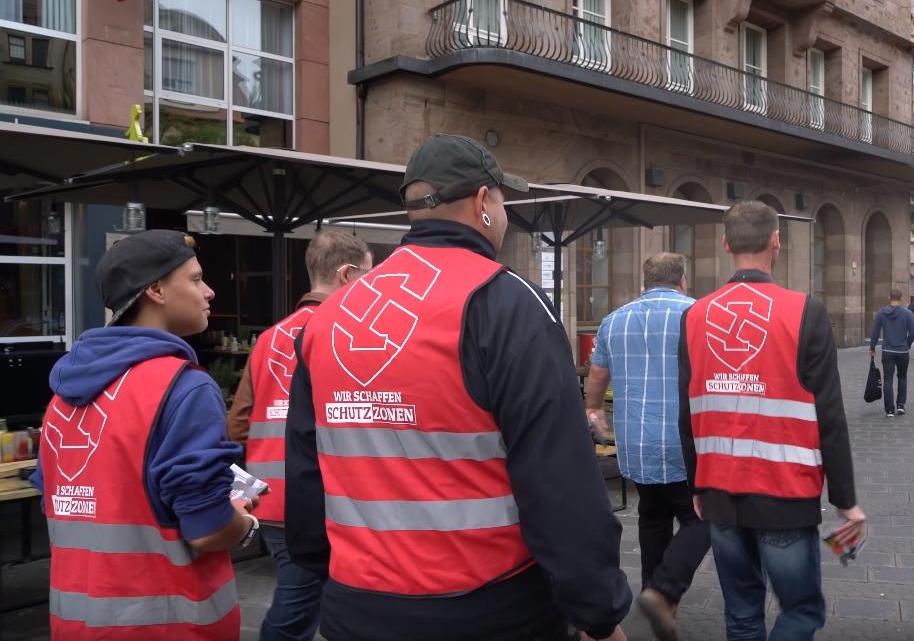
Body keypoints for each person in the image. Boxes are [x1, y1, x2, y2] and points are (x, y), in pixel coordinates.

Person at [285, 134, 631, 641]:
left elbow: (307, 467)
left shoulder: (329, 317)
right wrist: (598, 609)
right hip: (489, 609)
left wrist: (327, 571)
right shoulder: (506, 302)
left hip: (354, 607)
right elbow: (559, 480)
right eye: (503, 199)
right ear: (482, 202)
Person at [31, 230, 253, 638]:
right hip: (169, 624)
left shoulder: (62, 398)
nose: (209, 291)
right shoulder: (184, 386)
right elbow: (207, 529)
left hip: (75, 622)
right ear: (155, 290)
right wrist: (242, 522)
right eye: (195, 278)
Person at [678, 201, 865, 640]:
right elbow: (830, 418)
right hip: (785, 494)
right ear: (776, 243)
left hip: (721, 491)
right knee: (800, 611)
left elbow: (686, 414)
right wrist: (845, 499)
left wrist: (696, 486)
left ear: (726, 244)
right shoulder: (806, 313)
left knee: (741, 614)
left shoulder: (695, 316)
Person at [227, 231, 372, 641]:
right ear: (347, 275)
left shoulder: (269, 339)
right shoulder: (346, 335)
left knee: (309, 603)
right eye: (369, 276)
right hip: (324, 499)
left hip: (270, 498)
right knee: (297, 613)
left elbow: (238, 424)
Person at [584, 253, 708, 641]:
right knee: (705, 519)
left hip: (637, 444)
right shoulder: (699, 316)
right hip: (687, 444)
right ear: (682, 280)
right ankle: (663, 592)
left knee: (652, 519)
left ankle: (656, 602)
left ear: (645, 279)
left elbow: (597, 374)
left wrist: (591, 408)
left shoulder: (614, 320)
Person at [869, 288, 914, 418]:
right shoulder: (908, 313)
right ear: (900, 298)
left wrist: (872, 347)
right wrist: (907, 343)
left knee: (888, 379)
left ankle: (889, 409)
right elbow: (913, 332)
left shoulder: (881, 313)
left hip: (888, 350)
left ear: (889, 297)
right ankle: (901, 405)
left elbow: (875, 332)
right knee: (902, 377)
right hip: (902, 351)